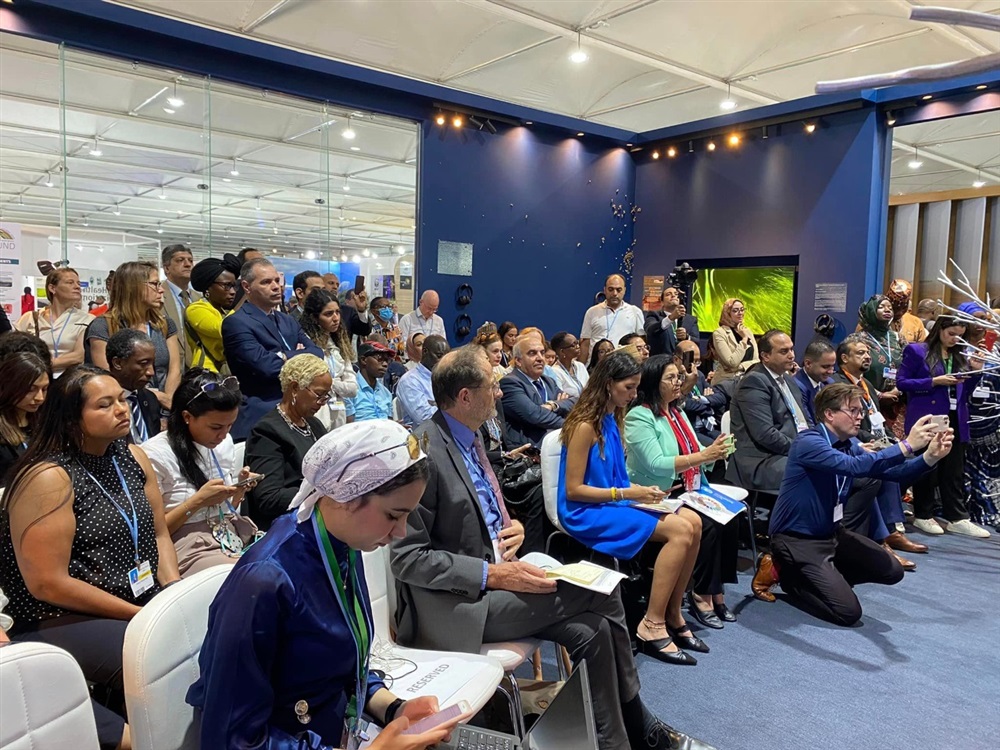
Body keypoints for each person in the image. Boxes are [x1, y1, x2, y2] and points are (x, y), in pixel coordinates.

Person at [391, 346, 713, 750]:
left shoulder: (469, 437)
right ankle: (640, 721)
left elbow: (480, 513)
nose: (500, 392)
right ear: (465, 397)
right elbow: (407, 558)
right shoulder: (422, 451)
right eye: (492, 386)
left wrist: (513, 526)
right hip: (456, 605)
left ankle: (616, 741)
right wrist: (493, 573)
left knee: (594, 630)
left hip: (496, 581)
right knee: (605, 591)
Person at [188, 421, 460, 750]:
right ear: (348, 496)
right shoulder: (264, 582)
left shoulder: (343, 543)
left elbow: (338, 665)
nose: (401, 532)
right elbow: (231, 740)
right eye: (393, 515)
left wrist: (393, 708)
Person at [0, 364, 180, 750]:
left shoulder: (130, 456)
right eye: (105, 404)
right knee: (165, 654)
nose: (122, 409)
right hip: (59, 617)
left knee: (201, 633)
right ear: (71, 418)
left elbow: (159, 533)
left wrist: (174, 595)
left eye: (122, 400)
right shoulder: (48, 476)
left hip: (136, 602)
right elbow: (48, 583)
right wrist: (140, 615)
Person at [759, 384, 950, 625]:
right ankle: (789, 578)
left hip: (832, 533)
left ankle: (821, 579)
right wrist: (906, 445)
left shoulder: (848, 444)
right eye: (853, 411)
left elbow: (895, 473)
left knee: (892, 571)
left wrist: (930, 456)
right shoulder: (809, 441)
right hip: (797, 539)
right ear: (829, 414)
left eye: (861, 411)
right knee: (848, 613)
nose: (860, 417)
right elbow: (853, 467)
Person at [561, 350, 705, 669]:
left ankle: (673, 612)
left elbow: (618, 479)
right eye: (628, 387)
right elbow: (573, 491)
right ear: (608, 384)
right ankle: (652, 624)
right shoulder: (584, 425)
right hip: (585, 512)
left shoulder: (611, 418)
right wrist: (629, 493)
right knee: (680, 531)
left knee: (693, 521)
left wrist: (643, 494)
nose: (633, 394)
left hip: (612, 501)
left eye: (636, 387)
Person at [624, 354, 735, 630]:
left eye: (679, 376)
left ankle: (715, 591)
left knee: (730, 518)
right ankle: (700, 595)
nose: (678, 382)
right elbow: (656, 463)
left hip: (687, 486)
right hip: (657, 491)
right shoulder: (639, 416)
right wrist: (703, 456)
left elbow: (695, 452)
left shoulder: (677, 412)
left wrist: (715, 452)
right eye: (671, 378)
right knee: (708, 524)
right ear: (653, 382)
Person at [140, 370, 258, 575]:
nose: (223, 435)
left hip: (227, 534)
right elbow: (153, 533)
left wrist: (238, 490)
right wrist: (198, 501)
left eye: (230, 426)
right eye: (216, 427)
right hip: (187, 546)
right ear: (187, 417)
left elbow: (224, 509)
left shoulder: (224, 444)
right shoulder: (154, 455)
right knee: (250, 575)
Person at [832, 334, 927, 556]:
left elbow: (879, 421)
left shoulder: (866, 385)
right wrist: (874, 441)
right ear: (844, 358)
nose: (867, 356)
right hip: (853, 443)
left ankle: (891, 527)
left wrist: (891, 438)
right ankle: (889, 532)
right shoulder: (837, 384)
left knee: (913, 461)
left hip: (875, 439)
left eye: (868, 352)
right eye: (860, 353)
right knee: (884, 464)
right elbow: (844, 424)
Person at [897, 315, 989, 538]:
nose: (955, 339)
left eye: (960, 336)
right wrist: (933, 382)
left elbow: (965, 391)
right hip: (928, 417)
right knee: (927, 466)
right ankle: (923, 514)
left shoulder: (960, 355)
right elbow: (901, 382)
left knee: (954, 469)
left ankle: (957, 517)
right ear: (939, 329)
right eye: (951, 334)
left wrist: (975, 371)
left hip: (955, 417)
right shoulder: (917, 351)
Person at [222, 258, 323, 440]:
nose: (276, 287)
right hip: (261, 416)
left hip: (297, 414)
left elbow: (317, 353)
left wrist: (283, 356)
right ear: (246, 287)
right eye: (266, 282)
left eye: (277, 280)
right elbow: (265, 366)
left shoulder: (287, 320)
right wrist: (300, 356)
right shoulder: (236, 322)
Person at [244, 355, 329, 531]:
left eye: (326, 396)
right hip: (287, 527)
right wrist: (321, 491)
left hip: (317, 517)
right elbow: (269, 498)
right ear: (295, 388)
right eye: (319, 395)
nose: (322, 403)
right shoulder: (267, 431)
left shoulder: (314, 425)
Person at [86, 261, 181, 411]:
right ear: (133, 287)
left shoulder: (164, 324)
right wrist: (156, 397)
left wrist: (168, 402)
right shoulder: (103, 326)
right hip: (125, 408)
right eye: (154, 284)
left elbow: (174, 369)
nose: (161, 290)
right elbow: (106, 375)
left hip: (165, 409)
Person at [725, 330, 809, 493]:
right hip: (762, 460)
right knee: (814, 470)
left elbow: (805, 419)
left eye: (792, 349)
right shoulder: (754, 381)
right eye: (784, 351)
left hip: (788, 450)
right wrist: (802, 449)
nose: (791, 355)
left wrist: (817, 442)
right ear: (765, 356)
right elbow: (765, 435)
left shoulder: (788, 379)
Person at [14, 267, 93, 377]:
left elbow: (79, 356)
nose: (77, 287)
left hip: (70, 380)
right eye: (70, 282)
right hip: (34, 379)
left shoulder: (87, 319)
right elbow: (14, 349)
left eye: (78, 283)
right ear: (52, 288)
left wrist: (40, 366)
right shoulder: (30, 318)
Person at [299, 288, 358, 430]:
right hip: (314, 413)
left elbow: (352, 389)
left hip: (338, 413)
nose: (336, 318)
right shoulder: (306, 345)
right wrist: (337, 383)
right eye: (328, 314)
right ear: (314, 317)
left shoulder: (339, 343)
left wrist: (328, 384)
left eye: (337, 312)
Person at [500, 335, 572, 447]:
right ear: (518, 361)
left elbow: (574, 402)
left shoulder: (548, 381)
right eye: (532, 353)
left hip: (556, 442)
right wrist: (571, 425)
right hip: (529, 449)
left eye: (542, 353)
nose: (540, 358)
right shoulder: (509, 383)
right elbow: (535, 415)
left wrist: (553, 405)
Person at [185, 254, 241, 373]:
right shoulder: (195, 309)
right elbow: (223, 329)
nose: (232, 292)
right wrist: (247, 297)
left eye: (234, 286)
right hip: (208, 374)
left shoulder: (224, 312)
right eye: (226, 286)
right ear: (208, 287)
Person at [105, 329, 162, 446]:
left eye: (152, 364)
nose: (151, 372)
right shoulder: (102, 406)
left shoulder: (150, 399)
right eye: (143, 363)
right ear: (118, 363)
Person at [0, 353, 48, 486]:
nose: (40, 398)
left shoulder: (42, 422)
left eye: (44, 389)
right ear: (9, 386)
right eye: (31, 389)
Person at [579, 274, 644, 364]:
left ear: (624, 290)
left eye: (619, 290)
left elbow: (640, 342)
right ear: (604, 290)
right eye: (611, 289)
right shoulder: (592, 312)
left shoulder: (635, 312)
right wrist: (581, 367)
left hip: (623, 365)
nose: (614, 293)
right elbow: (586, 344)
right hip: (597, 365)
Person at [676, 340, 730, 447]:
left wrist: (701, 399)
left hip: (708, 425)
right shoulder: (674, 379)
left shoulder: (699, 375)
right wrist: (707, 404)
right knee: (721, 448)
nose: (694, 366)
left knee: (732, 444)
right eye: (691, 361)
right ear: (676, 360)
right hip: (690, 428)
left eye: (697, 362)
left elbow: (720, 397)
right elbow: (685, 405)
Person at [396, 334, 449, 427]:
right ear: (425, 352)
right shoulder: (409, 381)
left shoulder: (447, 377)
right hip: (423, 433)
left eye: (446, 358)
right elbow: (424, 418)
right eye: (439, 356)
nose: (443, 362)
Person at [161, 244, 197, 368]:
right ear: (166, 268)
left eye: (190, 261)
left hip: (198, 369)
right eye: (180, 260)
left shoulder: (199, 299)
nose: (188, 264)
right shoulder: (156, 297)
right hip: (168, 368)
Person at [710, 298, 758, 384]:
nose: (740, 313)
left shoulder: (747, 331)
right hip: (726, 382)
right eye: (735, 311)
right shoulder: (719, 333)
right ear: (727, 313)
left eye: (742, 310)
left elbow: (757, 360)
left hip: (748, 379)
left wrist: (741, 367)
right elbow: (732, 362)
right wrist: (744, 339)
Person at [645, 286, 701, 357]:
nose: (673, 295)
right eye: (668, 294)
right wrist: (671, 318)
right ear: (662, 302)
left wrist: (686, 337)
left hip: (683, 359)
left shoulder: (690, 319)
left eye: (676, 294)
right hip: (661, 360)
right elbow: (650, 330)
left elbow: (697, 342)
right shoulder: (654, 315)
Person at [347, 341, 394, 422]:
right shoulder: (350, 390)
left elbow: (390, 422)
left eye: (387, 360)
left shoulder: (386, 393)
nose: (385, 364)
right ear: (363, 360)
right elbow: (348, 426)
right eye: (380, 358)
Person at [792, 339, 836, 425]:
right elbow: (807, 423)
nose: (830, 371)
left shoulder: (830, 383)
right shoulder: (796, 386)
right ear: (808, 364)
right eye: (825, 367)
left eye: (832, 366)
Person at [885, 278, 927, 345]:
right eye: (896, 308)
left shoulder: (915, 322)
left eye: (904, 308)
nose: (900, 312)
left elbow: (922, 348)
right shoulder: (877, 321)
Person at [550, 331, 589, 398]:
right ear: (562, 351)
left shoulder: (580, 366)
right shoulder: (554, 372)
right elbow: (560, 397)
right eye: (573, 345)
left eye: (578, 343)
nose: (578, 347)